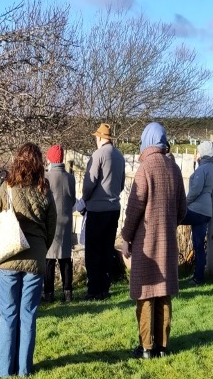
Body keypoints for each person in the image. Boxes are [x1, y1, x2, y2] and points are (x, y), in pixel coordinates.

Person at [0, 143, 57, 378]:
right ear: (39, 164)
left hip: (8, 257)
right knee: (28, 315)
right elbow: (51, 227)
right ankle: (24, 368)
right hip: (35, 259)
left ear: (18, 161)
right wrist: (40, 249)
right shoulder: (44, 189)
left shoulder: (7, 186)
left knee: (8, 315)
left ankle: (5, 369)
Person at [121, 122, 186, 359]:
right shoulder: (174, 168)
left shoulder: (145, 167)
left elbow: (134, 209)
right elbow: (182, 209)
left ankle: (146, 347)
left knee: (146, 292)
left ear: (146, 141)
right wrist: (168, 224)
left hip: (145, 242)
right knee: (164, 292)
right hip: (167, 242)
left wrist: (126, 237)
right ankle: (162, 346)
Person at [82, 123, 125, 300]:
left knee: (93, 251)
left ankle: (94, 289)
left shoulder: (98, 155)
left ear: (100, 138)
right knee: (107, 249)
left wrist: (85, 199)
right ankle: (104, 288)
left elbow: (89, 182)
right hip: (114, 208)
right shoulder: (120, 156)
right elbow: (121, 184)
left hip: (97, 209)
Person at [43, 145, 76, 303]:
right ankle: (67, 292)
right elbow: (73, 199)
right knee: (65, 258)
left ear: (50, 159)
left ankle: (49, 293)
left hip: (51, 222)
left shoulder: (46, 177)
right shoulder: (70, 178)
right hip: (66, 221)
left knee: (49, 260)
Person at [181, 140, 213, 285]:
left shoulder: (202, 170)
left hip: (196, 210)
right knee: (199, 245)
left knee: (172, 219)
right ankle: (198, 277)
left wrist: (183, 204)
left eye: (198, 151)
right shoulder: (211, 168)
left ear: (202, 153)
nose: (196, 154)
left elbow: (195, 191)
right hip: (206, 212)